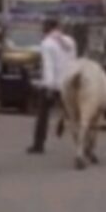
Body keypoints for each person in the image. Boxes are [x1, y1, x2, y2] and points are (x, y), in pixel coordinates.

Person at [28, 18, 76, 153]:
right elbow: (73, 61)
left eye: (44, 27)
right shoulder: (70, 42)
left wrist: (48, 86)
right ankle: (83, 144)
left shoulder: (47, 43)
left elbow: (48, 66)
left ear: (47, 28)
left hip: (53, 85)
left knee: (43, 115)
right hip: (69, 83)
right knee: (75, 115)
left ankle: (38, 144)